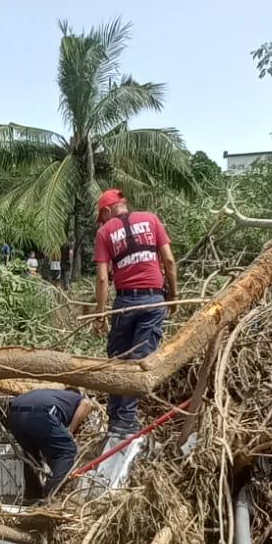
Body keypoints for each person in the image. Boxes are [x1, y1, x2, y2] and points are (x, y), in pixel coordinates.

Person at [93, 188, 176, 438]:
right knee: (138, 360)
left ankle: (118, 420)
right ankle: (123, 421)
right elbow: (170, 262)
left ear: (107, 211)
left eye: (102, 216)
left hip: (126, 301)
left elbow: (102, 279)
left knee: (117, 359)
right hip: (153, 299)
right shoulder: (151, 219)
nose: (104, 221)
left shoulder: (104, 231)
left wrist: (100, 313)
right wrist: (174, 297)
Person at [4, 388, 92, 502]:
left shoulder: (55, 395)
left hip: (14, 414)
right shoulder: (76, 398)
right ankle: (51, 498)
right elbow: (87, 404)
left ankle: (32, 497)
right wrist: (70, 429)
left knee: (31, 456)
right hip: (41, 413)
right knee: (67, 451)